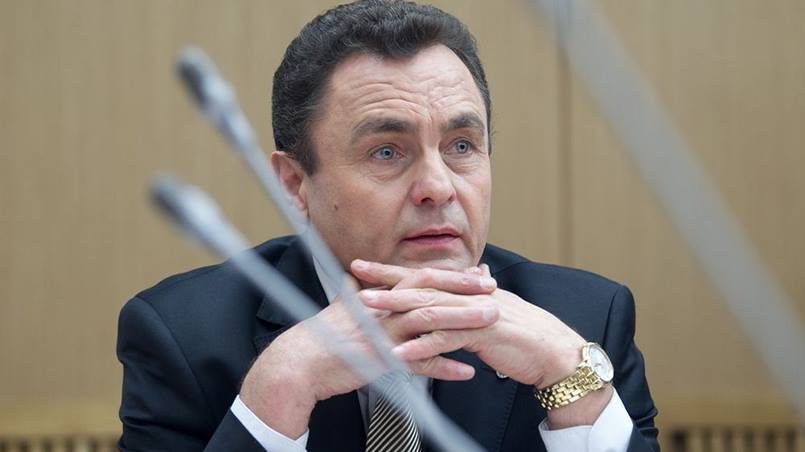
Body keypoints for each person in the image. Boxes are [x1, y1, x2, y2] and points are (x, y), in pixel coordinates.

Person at [117, 1, 659, 451]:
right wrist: (278, 390)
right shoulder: (183, 337)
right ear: (294, 184)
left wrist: (574, 382)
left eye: (461, 146)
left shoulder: (585, 321)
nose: (438, 187)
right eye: (386, 151)